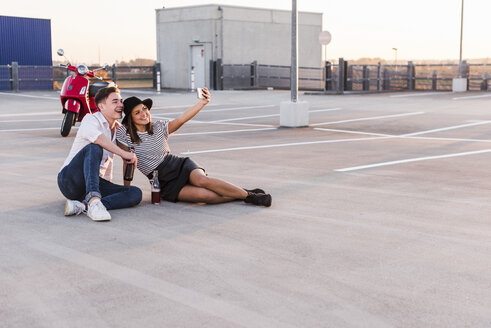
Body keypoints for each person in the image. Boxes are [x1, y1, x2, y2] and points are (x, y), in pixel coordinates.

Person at [116, 88, 272, 206]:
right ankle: (240, 191)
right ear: (130, 118)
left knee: (203, 181)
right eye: (137, 112)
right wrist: (126, 189)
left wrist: (202, 103)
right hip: (161, 180)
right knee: (205, 197)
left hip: (177, 165)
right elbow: (127, 162)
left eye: (144, 109)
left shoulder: (158, 127)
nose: (144, 114)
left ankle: (250, 197)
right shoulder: (124, 134)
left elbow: (182, 119)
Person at [57, 86, 142, 221]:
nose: (121, 105)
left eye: (121, 101)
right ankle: (94, 201)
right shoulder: (90, 119)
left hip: (93, 182)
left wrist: (124, 191)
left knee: (135, 193)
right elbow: (98, 139)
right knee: (94, 147)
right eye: (115, 102)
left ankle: (83, 206)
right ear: (101, 106)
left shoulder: (119, 130)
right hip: (70, 180)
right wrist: (123, 153)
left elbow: (111, 162)